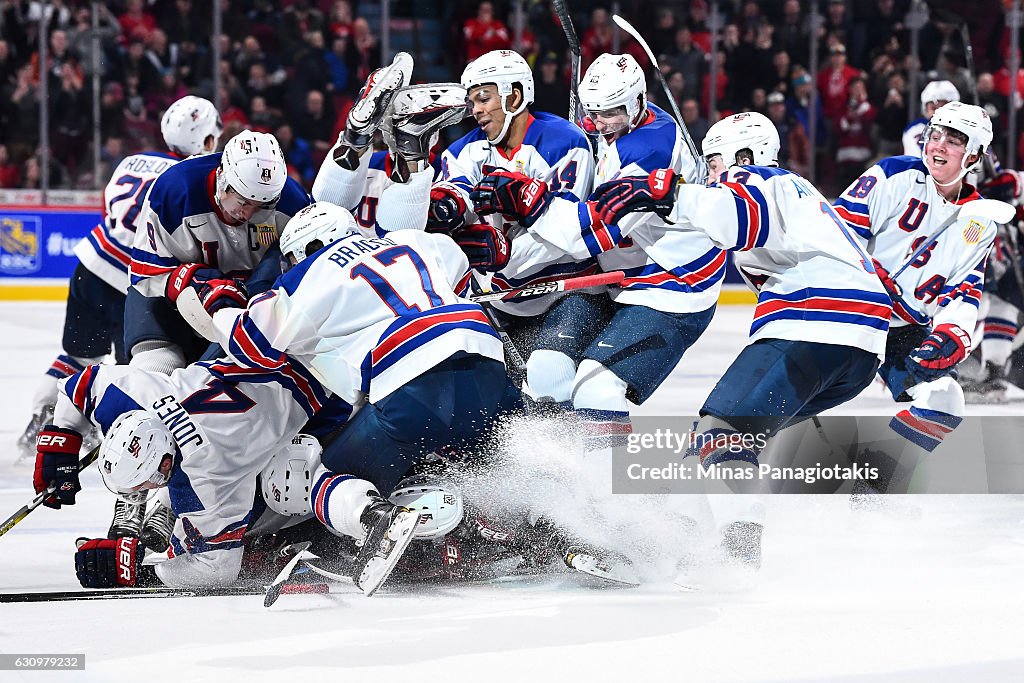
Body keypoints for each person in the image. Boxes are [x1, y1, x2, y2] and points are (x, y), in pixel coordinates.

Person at [585, 112, 893, 560]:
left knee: (722, 433)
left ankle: (737, 555)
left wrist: (669, 192)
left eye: (713, 163)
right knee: (709, 445)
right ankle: (673, 543)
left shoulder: (757, 178)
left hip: (814, 321)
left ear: (745, 155)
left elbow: (733, 217)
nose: (710, 174)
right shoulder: (798, 194)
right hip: (860, 348)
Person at [469, 52, 722, 445]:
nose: (600, 125)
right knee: (547, 372)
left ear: (637, 101)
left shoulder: (648, 154)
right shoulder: (627, 125)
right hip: (621, 276)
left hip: (670, 287)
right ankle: (564, 479)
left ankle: (608, 499)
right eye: (594, 114)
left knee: (596, 390)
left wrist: (532, 201)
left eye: (610, 114)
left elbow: (586, 236)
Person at [28, 352, 397, 591]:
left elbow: (216, 569)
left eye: (144, 483)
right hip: (288, 347)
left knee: (286, 480)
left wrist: (141, 571)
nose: (140, 488)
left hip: (334, 392)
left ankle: (365, 515)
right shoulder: (139, 395)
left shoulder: (207, 477)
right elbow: (83, 387)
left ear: (166, 465)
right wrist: (60, 442)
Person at [833, 101, 998, 489]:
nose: (937, 146)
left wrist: (951, 335)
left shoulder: (981, 221)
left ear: (973, 155)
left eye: (953, 140)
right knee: (789, 404)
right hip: (847, 312)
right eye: (934, 134)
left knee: (945, 399)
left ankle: (874, 486)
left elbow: (963, 290)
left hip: (903, 327)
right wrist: (867, 275)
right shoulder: (894, 175)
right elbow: (835, 234)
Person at [433, 48, 595, 392]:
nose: (475, 110)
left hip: (568, 291)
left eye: (484, 98)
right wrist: (438, 206)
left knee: (549, 377)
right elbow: (455, 196)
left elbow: (565, 232)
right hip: (501, 298)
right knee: (474, 390)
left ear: (515, 95)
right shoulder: (463, 150)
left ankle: (580, 445)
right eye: (472, 101)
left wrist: (505, 253)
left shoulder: (565, 142)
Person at [125, 128, 311, 375]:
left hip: (252, 310)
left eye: (261, 206)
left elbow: (307, 272)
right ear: (223, 179)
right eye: (243, 201)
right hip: (174, 304)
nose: (247, 214)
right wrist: (195, 283)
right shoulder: (176, 191)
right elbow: (146, 275)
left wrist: (259, 291)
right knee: (154, 369)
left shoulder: (292, 203)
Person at [902, 80, 959, 156]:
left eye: (943, 108)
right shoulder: (915, 129)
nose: (938, 113)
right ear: (925, 109)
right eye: (934, 108)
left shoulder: (964, 129)